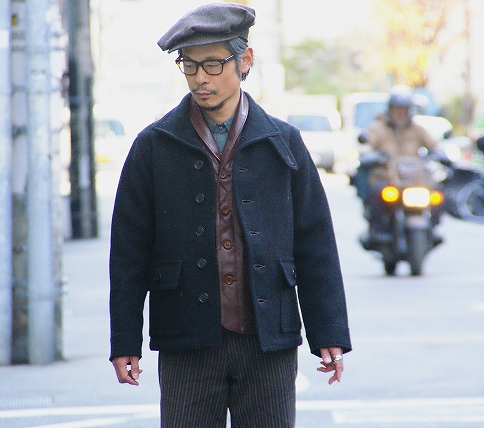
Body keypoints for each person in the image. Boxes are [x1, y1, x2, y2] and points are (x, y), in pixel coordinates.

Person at [108, 3, 351, 427]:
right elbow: (129, 252)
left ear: (246, 60)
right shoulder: (153, 146)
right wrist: (125, 340)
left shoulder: (283, 142)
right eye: (189, 65)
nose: (200, 78)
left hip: (268, 338)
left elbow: (315, 243)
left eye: (213, 64)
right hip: (186, 337)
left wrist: (328, 331)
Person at [358, 85, 441, 247]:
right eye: (397, 109)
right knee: (376, 193)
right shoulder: (378, 127)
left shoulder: (417, 129)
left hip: (414, 179)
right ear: (390, 109)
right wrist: (370, 154)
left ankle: (433, 227)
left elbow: (434, 144)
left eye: (403, 109)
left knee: (438, 192)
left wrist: (441, 153)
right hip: (387, 177)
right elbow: (367, 144)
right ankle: (376, 230)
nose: (400, 113)